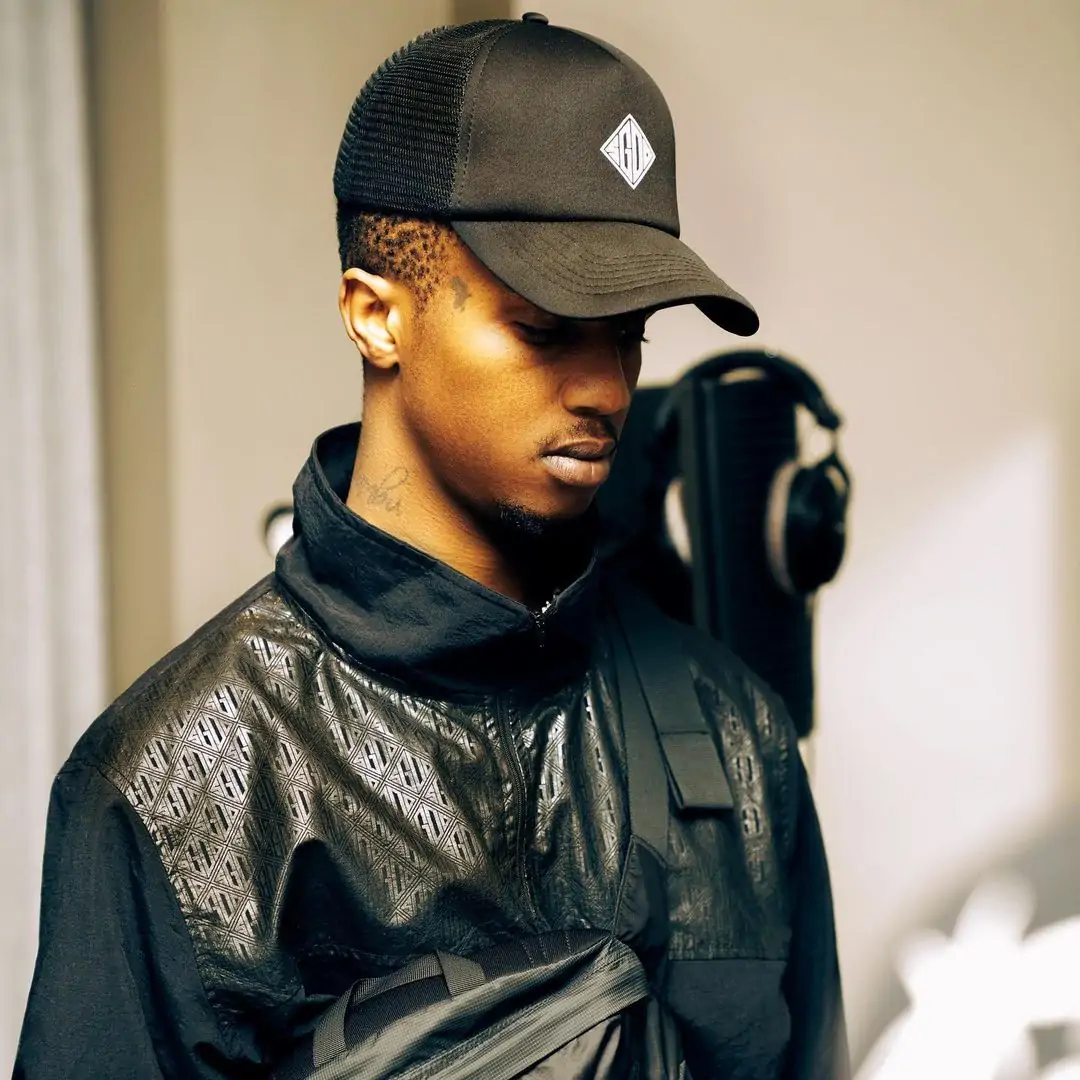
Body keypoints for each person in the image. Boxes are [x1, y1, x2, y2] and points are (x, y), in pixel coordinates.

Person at [15, 14, 848, 1079]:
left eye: (629, 335)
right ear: (376, 316)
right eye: (544, 329)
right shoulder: (177, 790)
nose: (606, 389)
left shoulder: (738, 739)